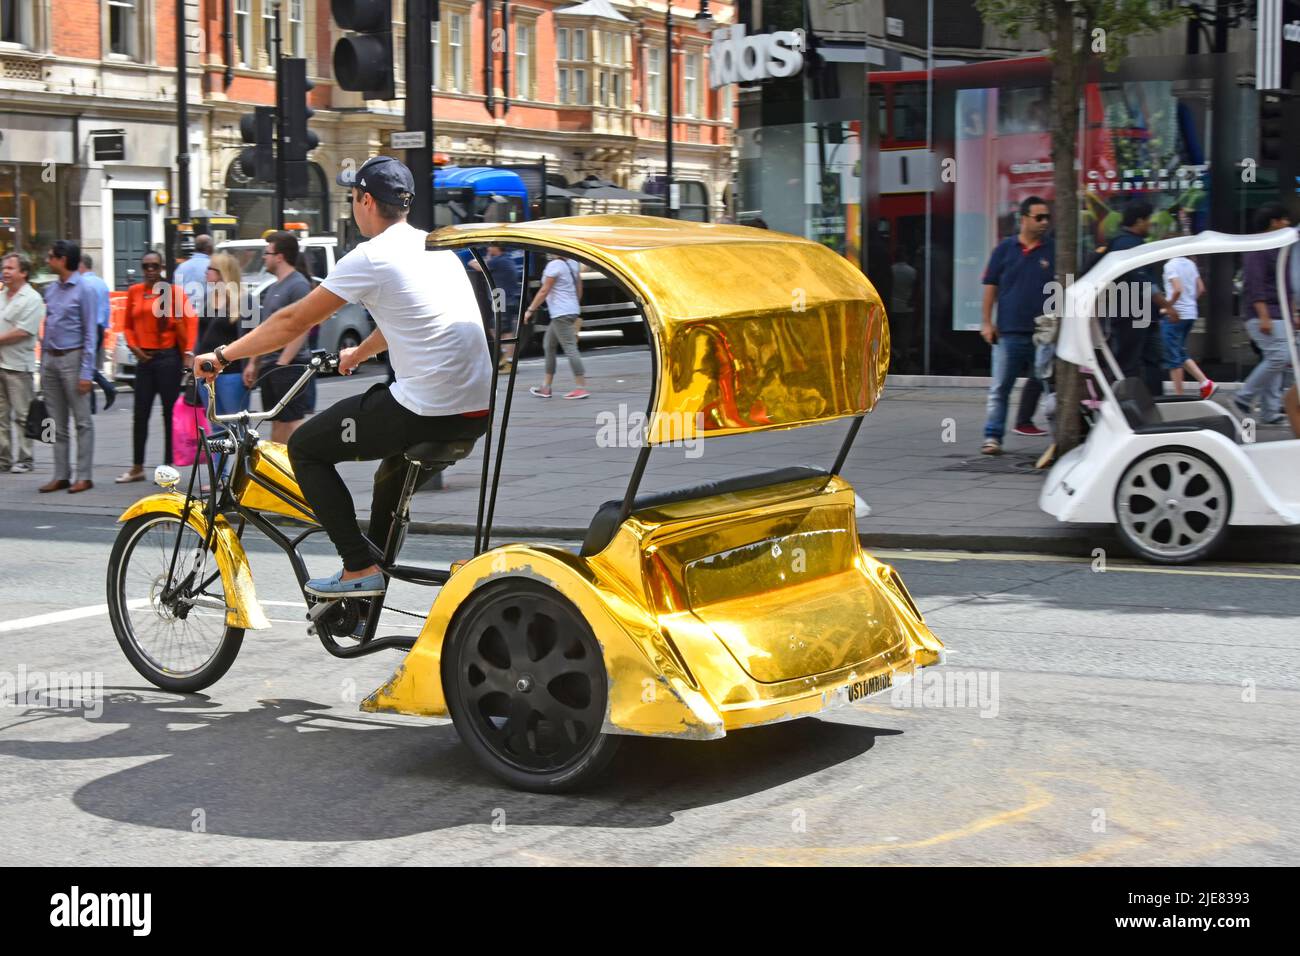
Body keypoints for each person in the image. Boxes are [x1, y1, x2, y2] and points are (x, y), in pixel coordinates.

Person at [194, 155, 492, 599]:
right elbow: (411, 318)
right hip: (474, 409)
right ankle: (370, 584)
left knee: (306, 448)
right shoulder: (434, 246)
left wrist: (222, 355)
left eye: (353, 198)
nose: (353, 206)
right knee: (387, 483)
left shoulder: (370, 257)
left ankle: (358, 569)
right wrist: (359, 351)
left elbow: (293, 321)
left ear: (366, 200)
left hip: (426, 407)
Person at [979, 196, 1056, 455]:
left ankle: (1059, 438)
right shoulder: (1005, 249)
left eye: (1047, 217)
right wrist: (987, 322)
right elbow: (991, 286)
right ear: (1023, 219)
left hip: (1044, 334)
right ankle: (992, 437)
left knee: (1050, 388)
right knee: (1000, 388)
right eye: (1039, 217)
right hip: (1009, 332)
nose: (1045, 222)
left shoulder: (1052, 250)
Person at [116, 250, 198, 482]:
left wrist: (189, 354)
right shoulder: (134, 292)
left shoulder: (173, 293)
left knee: (169, 414)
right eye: (146, 266)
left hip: (168, 359)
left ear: (162, 268)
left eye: (154, 266)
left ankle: (168, 467)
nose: (150, 270)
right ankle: (137, 467)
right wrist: (133, 347)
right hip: (144, 360)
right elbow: (128, 326)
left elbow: (191, 322)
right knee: (140, 414)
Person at [39, 240, 100, 494]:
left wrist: (86, 372)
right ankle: (61, 474)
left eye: (51, 256)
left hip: (73, 358)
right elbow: (48, 324)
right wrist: (43, 361)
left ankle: (84, 476)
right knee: (54, 421)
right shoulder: (51, 290)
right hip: (51, 359)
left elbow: (90, 333)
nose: (47, 260)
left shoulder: (84, 289)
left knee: (82, 421)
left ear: (63, 260)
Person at [245, 231, 314, 443]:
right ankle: (276, 471)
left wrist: (283, 362)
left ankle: (302, 467)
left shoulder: (298, 285)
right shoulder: (275, 287)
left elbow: (303, 326)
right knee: (276, 421)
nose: (263, 257)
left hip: (290, 366)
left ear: (279, 256)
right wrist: (253, 363)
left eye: (267, 253)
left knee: (292, 421)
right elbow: (266, 330)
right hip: (271, 365)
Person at [1235, 203, 1298, 425]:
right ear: (1274, 222)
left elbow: (1285, 286)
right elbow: (1255, 285)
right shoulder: (1258, 247)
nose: (1288, 224)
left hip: (1279, 313)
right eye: (1285, 219)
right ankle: (1244, 396)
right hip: (1265, 313)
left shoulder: (1279, 248)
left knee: (1276, 359)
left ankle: (1269, 412)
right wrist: (1263, 316)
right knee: (1280, 356)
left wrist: (1292, 316)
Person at [1105, 199, 1171, 395]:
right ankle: (1125, 407)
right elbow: (1143, 282)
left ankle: (1154, 403)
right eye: (1149, 220)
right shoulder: (1127, 244)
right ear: (1139, 221)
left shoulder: (1131, 243)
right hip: (1131, 316)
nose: (1150, 224)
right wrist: (1168, 306)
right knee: (1129, 364)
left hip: (1142, 316)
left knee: (1152, 362)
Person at [0, 253, 43, 474]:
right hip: (1, 363)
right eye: (4, 267)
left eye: (10, 268)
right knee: (1, 415)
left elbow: (24, 331)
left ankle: (26, 458)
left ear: (23, 272)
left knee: (23, 415)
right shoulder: (1, 295)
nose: (5, 271)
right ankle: (3, 458)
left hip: (18, 365)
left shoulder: (32, 298)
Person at [525, 254, 588, 399]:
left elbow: (544, 291)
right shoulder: (573, 263)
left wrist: (530, 310)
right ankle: (546, 387)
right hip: (569, 310)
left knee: (570, 347)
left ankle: (581, 387)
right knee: (548, 344)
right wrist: (573, 304)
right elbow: (579, 286)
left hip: (561, 312)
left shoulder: (554, 266)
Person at [1160, 252, 1217, 399]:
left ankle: (1178, 397)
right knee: (1179, 351)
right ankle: (1205, 383)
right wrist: (1190, 302)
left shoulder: (1170, 265)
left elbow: (1177, 289)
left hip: (1175, 315)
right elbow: (1201, 288)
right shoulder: (1191, 264)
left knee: (1173, 357)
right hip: (1190, 314)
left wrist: (1168, 307)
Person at [470, 243, 521, 370]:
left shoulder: (497, 261)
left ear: (497, 248)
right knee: (495, 328)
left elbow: (474, 264)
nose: (488, 248)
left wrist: (486, 257)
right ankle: (505, 356)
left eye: (490, 246)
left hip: (501, 298)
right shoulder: (507, 259)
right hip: (505, 297)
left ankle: (509, 362)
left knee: (505, 330)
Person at [77, 255, 117, 410]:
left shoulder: (82, 284)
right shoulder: (101, 283)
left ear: (82, 265)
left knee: (85, 365)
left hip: (88, 327)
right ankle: (92, 403)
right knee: (89, 364)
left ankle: (106, 387)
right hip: (99, 327)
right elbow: (107, 308)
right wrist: (105, 327)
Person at [173, 234, 213, 315]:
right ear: (209, 248)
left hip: (185, 315)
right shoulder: (212, 267)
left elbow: (176, 293)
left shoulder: (181, 268)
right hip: (205, 316)